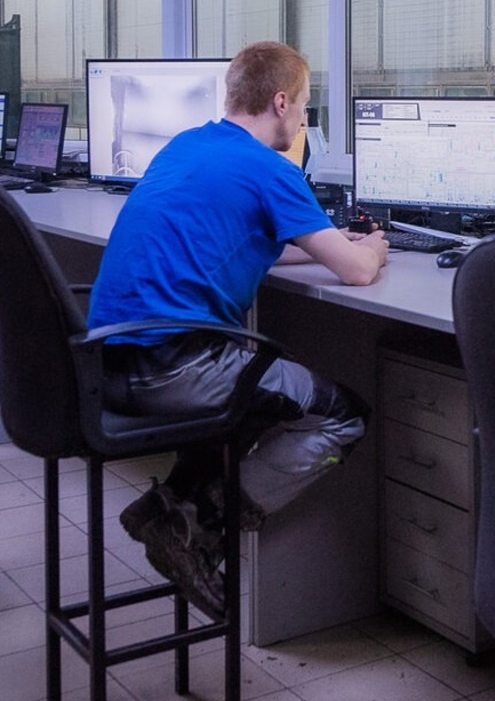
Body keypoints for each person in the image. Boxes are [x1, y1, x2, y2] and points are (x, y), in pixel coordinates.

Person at [87, 40, 389, 618]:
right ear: (280, 102)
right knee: (344, 416)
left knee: (256, 397)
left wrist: (329, 243)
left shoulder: (186, 145)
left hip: (108, 364)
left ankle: (173, 506)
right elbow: (356, 273)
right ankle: (195, 526)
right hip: (177, 369)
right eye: (304, 104)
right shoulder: (271, 170)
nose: (304, 117)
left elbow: (254, 244)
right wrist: (371, 248)